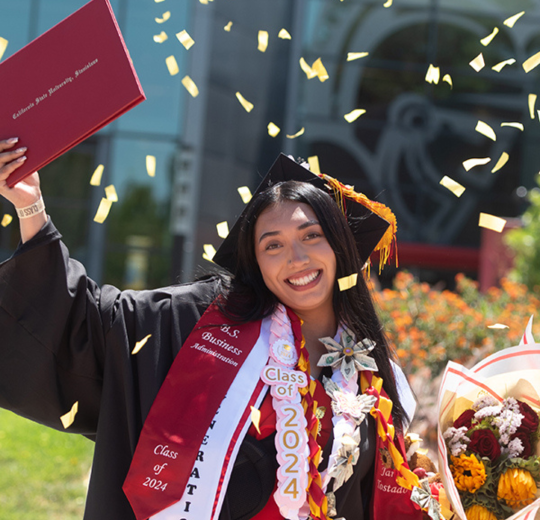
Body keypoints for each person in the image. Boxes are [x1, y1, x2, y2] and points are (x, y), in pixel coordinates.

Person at [0, 139, 424, 520]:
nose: (296, 257)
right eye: (272, 244)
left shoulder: (371, 372)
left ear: (340, 248)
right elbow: (91, 320)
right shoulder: (204, 322)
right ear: (256, 263)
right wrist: (31, 206)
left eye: (311, 235)